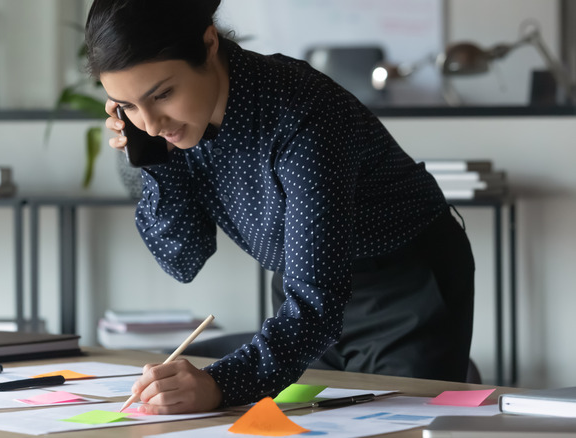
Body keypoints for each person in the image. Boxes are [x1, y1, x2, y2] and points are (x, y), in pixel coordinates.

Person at [85, 0, 475, 414]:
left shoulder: (303, 110)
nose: (151, 122)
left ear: (209, 42)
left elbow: (317, 303)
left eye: (162, 93)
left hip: (402, 284)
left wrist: (218, 384)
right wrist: (153, 161)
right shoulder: (163, 129)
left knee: (394, 426)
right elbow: (183, 258)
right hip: (302, 291)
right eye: (126, 106)